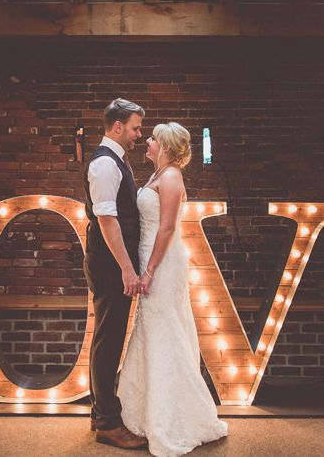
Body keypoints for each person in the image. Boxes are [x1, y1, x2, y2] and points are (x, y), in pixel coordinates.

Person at [117, 122, 228, 456]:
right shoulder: (158, 174)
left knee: (166, 333)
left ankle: (173, 419)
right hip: (151, 259)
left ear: (164, 146)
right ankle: (145, 412)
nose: (147, 141)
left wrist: (150, 270)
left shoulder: (171, 177)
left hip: (163, 264)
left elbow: (166, 229)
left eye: (152, 138)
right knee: (154, 332)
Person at [83, 98, 148, 449]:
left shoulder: (116, 160)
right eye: (136, 128)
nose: (139, 134)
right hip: (111, 265)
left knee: (106, 338)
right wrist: (127, 269)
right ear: (118, 125)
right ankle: (108, 423)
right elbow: (107, 220)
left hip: (112, 263)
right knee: (108, 340)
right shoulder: (105, 164)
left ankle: (100, 414)